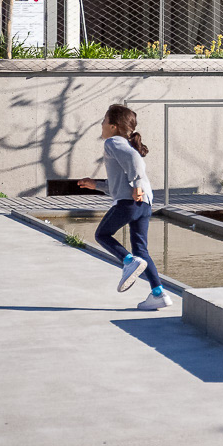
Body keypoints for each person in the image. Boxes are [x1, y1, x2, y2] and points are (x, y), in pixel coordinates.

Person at [78, 103, 172, 311]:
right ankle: (158, 293)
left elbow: (135, 162)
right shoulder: (126, 144)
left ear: (113, 126)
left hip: (131, 202)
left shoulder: (113, 142)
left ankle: (128, 261)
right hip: (144, 204)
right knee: (142, 251)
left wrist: (137, 184)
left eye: (103, 121)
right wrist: (96, 185)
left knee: (102, 234)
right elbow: (121, 183)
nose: (101, 125)